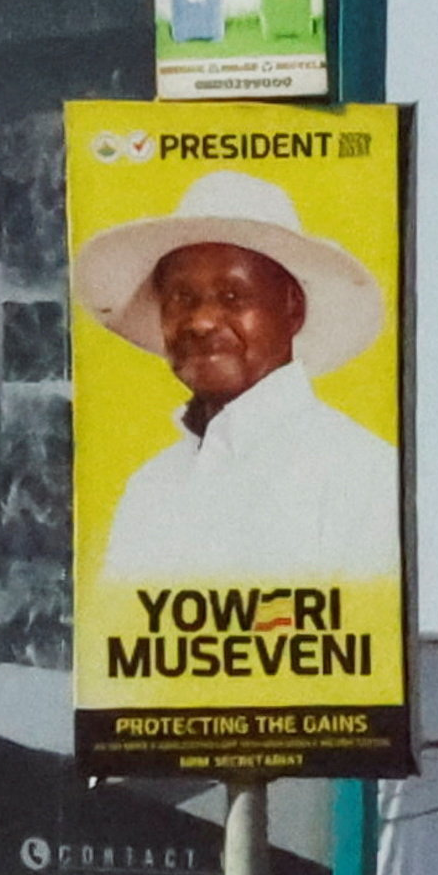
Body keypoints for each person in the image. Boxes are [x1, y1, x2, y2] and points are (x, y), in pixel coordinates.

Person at [78, 171, 404, 586]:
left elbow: (365, 643)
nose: (201, 321)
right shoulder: (150, 487)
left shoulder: (363, 476)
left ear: (292, 309)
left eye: (233, 296)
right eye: (181, 298)